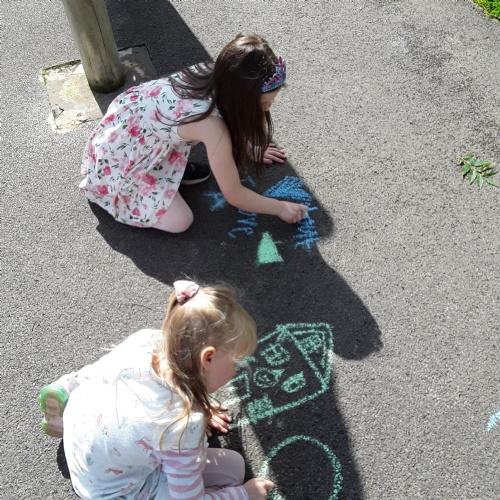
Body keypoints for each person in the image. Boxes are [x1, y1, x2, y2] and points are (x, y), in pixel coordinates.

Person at [38, 281, 274, 499]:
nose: (236, 370)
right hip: (110, 491)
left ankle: (67, 390)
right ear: (208, 358)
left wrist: (201, 405)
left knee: (230, 466)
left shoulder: (146, 341)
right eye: (236, 362)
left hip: (81, 440)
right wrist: (243, 495)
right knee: (233, 471)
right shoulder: (181, 426)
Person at [79, 34, 309, 233]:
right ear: (241, 98)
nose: (267, 109)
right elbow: (234, 194)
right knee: (181, 221)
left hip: (132, 130)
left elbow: (233, 118)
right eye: (264, 103)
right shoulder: (210, 126)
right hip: (121, 160)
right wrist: (280, 207)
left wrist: (249, 148)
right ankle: (128, 192)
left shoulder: (216, 74)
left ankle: (166, 172)